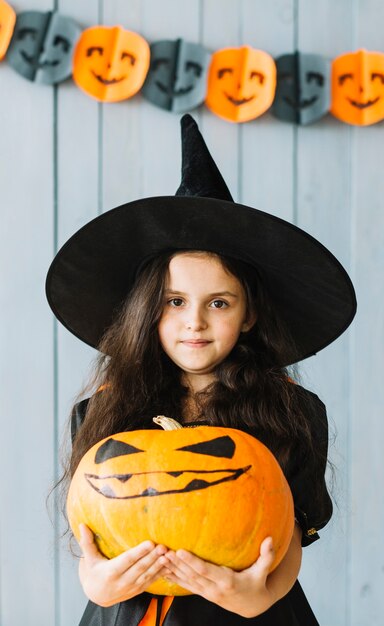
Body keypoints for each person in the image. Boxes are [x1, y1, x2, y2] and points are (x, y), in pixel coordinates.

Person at [46, 114, 356, 626]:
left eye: (218, 303)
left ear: (248, 313)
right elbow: (92, 532)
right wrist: (95, 584)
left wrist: (259, 596)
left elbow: (292, 536)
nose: (194, 322)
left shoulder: (291, 410)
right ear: (147, 310)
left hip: (250, 615)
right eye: (174, 301)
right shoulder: (102, 409)